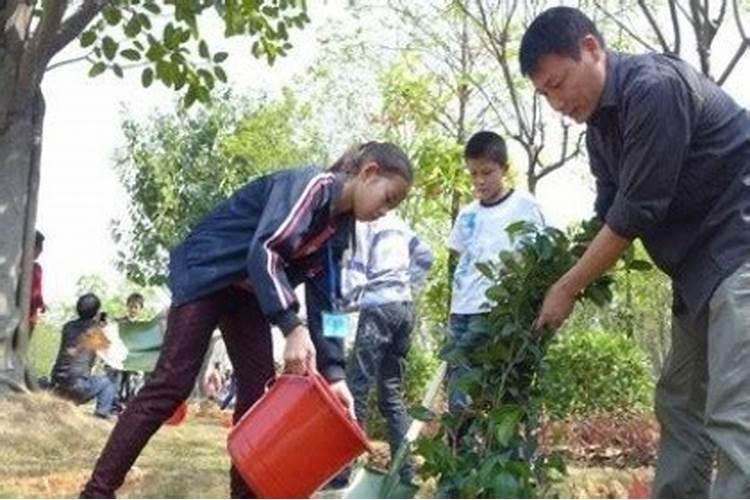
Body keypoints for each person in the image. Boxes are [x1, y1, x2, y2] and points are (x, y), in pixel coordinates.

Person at [80, 141, 414, 498]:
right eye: (388, 198)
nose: (386, 210)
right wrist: (291, 325)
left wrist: (334, 374)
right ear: (369, 173)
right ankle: (97, 492)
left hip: (248, 293)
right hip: (208, 273)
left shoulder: (340, 231)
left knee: (258, 395)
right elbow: (266, 250)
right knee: (171, 385)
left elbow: (327, 300)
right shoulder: (312, 187)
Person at [520, 7, 750, 497]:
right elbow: (608, 212)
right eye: (544, 94)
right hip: (696, 270)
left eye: (558, 84)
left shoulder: (654, 87)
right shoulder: (601, 132)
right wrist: (551, 277)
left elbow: (636, 212)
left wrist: (566, 288)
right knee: (680, 402)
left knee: (736, 408)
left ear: (591, 48)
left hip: (740, 246)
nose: (556, 102)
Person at [328, 212, 434, 490]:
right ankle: (406, 472)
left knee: (356, 389)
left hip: (378, 309)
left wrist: (339, 306)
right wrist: (407, 285)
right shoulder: (400, 223)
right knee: (391, 395)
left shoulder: (364, 222)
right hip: (404, 310)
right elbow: (425, 256)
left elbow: (357, 275)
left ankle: (342, 473)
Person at [446, 131, 545, 417]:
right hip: (460, 312)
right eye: (473, 173)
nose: (479, 181)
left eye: (487, 172)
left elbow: (542, 255)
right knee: (458, 395)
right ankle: (461, 456)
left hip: (498, 312)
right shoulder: (466, 214)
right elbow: (460, 257)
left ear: (505, 169)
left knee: (494, 392)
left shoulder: (525, 207)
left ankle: (497, 455)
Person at [50, 293, 117, 419]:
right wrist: (103, 328)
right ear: (96, 312)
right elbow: (107, 349)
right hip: (77, 388)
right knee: (108, 383)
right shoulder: (97, 331)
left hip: (57, 385)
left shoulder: (67, 327)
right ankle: (101, 413)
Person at [28, 230, 46, 336]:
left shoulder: (37, 268)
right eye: (38, 248)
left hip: (31, 316)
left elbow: (37, 290)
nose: (40, 252)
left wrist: (41, 304)